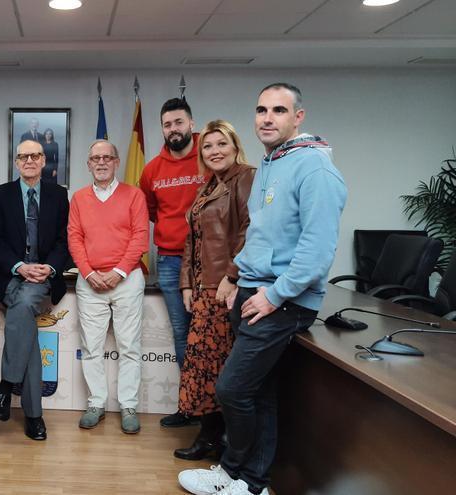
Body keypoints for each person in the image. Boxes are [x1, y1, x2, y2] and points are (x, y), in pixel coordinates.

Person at [178, 83, 347, 495]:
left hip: (280, 302)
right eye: (261, 110)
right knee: (260, 392)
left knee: (231, 388)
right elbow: (258, 237)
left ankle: (241, 474)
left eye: (278, 110)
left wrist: (273, 295)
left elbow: (317, 249)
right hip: (251, 291)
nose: (267, 118)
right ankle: (249, 479)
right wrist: (237, 279)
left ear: (298, 117)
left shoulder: (315, 168)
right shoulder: (275, 162)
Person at [173, 120, 255, 462]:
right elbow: (192, 239)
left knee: (220, 369)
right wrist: (187, 282)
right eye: (208, 146)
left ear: (235, 146)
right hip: (205, 289)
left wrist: (232, 276)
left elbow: (252, 232)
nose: (214, 151)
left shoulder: (246, 178)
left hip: (227, 290)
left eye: (221, 144)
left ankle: (225, 442)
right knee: (205, 366)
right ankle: (210, 436)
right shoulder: (208, 186)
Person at [0, 139, 70, 441]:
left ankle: (6, 386)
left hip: (44, 276)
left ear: (44, 160)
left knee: (22, 306)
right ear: (17, 162)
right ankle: (34, 417)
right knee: (27, 330)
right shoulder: (1, 194)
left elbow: (64, 240)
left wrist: (49, 268)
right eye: (24, 156)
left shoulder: (59, 195)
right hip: (11, 276)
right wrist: (20, 266)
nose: (30, 160)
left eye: (35, 155)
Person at [67, 139, 148, 434]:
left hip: (126, 281)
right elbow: (74, 237)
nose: (101, 162)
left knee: (129, 347)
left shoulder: (134, 195)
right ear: (88, 164)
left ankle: (128, 405)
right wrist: (88, 273)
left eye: (107, 157)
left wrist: (118, 272)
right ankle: (96, 404)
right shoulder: (78, 198)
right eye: (95, 158)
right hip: (90, 283)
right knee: (91, 348)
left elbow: (140, 237)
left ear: (116, 162)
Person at [138, 97, 207, 428]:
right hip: (169, 259)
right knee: (182, 332)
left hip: (209, 261)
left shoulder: (209, 158)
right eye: (167, 124)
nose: (173, 129)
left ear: (191, 124)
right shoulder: (152, 169)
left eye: (179, 122)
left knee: (211, 332)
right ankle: (190, 405)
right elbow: (151, 212)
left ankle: (216, 411)